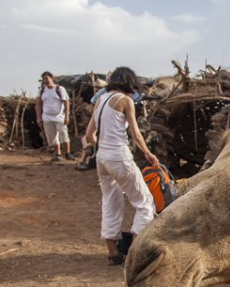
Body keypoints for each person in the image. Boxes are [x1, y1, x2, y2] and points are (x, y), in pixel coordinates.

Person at [83, 67, 159, 265]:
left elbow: (90, 135)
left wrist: (102, 149)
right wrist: (148, 154)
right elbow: (136, 135)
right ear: (130, 82)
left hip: (102, 158)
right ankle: (135, 253)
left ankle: (113, 252)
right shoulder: (125, 101)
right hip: (119, 157)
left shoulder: (100, 100)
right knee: (145, 202)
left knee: (111, 201)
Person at [35, 71, 74, 162]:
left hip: (59, 116)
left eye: (47, 78)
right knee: (52, 137)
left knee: (63, 134)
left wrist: (66, 116)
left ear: (52, 78)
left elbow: (66, 102)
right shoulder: (42, 91)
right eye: (44, 79)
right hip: (47, 118)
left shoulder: (59, 89)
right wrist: (38, 117)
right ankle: (57, 154)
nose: (46, 80)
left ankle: (67, 153)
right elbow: (38, 105)